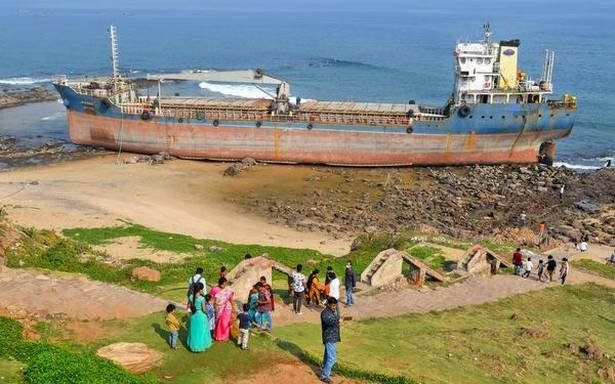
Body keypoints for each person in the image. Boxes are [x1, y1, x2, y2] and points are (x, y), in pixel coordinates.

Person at [320, 297, 341, 384]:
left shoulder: (333, 311)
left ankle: (327, 370)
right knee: (332, 358)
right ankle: (324, 376)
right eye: (332, 305)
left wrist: (338, 320)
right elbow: (329, 322)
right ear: (328, 304)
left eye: (335, 305)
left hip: (333, 337)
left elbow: (334, 320)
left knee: (327, 356)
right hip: (329, 337)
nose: (334, 307)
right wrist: (338, 321)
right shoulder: (324, 313)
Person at [187, 282, 213, 352]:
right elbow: (204, 309)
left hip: (193, 316)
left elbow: (190, 306)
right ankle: (201, 346)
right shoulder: (202, 298)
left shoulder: (190, 296)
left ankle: (193, 346)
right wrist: (208, 313)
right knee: (202, 332)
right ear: (200, 290)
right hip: (201, 316)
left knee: (194, 332)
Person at [210, 277, 235, 341]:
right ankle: (218, 335)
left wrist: (233, 307)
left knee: (225, 323)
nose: (224, 286)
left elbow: (231, 299)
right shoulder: (214, 289)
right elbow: (212, 299)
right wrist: (211, 307)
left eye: (225, 284)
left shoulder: (228, 289)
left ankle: (225, 336)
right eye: (223, 284)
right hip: (218, 308)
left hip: (227, 308)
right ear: (219, 284)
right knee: (218, 322)